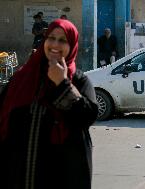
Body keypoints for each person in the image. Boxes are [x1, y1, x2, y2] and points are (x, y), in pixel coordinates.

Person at [0, 19, 98, 189]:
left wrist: (62, 84)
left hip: (62, 177)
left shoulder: (80, 81)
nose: (55, 44)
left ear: (72, 45)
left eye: (62, 40)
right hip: (18, 175)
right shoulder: (22, 79)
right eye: (51, 38)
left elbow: (86, 117)